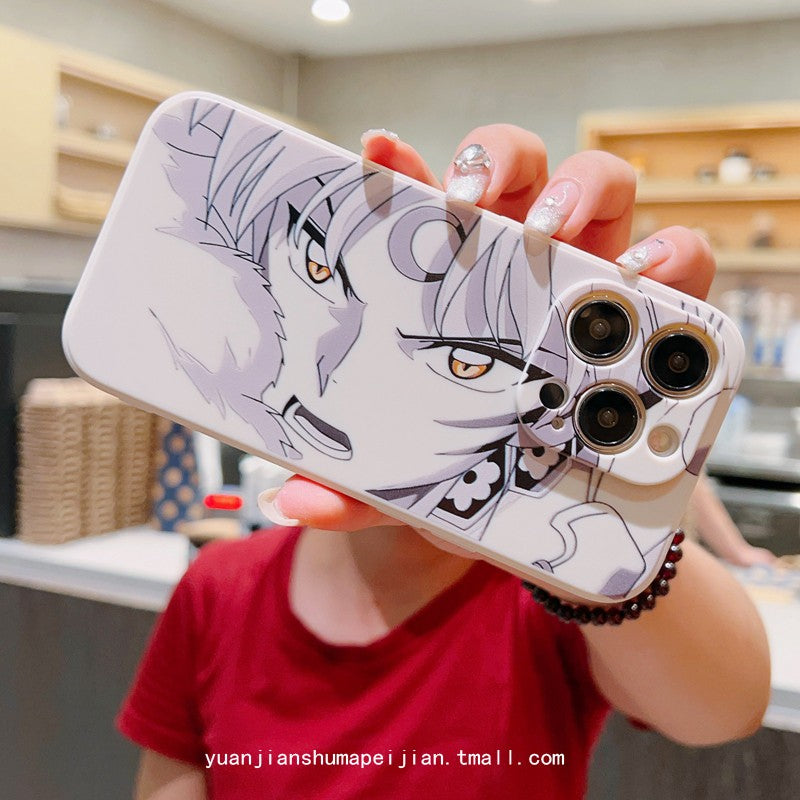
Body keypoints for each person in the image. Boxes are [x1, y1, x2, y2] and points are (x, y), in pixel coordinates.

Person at [119, 121, 770, 800]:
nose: (348, 373)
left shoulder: (542, 595)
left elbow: (727, 709)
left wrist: (573, 489)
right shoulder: (218, 587)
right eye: (324, 274)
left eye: (464, 359)